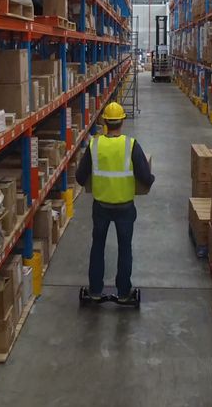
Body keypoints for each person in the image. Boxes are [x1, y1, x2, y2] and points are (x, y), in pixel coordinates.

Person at [75, 101, 155, 303]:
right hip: (125, 208)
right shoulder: (131, 145)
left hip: (101, 207)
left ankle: (94, 291)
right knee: (125, 247)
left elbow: (79, 177)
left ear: (105, 122)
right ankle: (123, 292)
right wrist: (151, 179)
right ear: (122, 122)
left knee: (98, 246)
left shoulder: (94, 144)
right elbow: (145, 177)